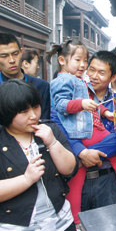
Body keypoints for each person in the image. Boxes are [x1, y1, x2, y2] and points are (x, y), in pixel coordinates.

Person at [50, 49, 116, 225]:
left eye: (101, 73)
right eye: (91, 69)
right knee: (78, 217)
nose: (94, 76)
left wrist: (85, 154)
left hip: (107, 180)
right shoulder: (75, 91)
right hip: (78, 173)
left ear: (113, 76)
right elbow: (59, 124)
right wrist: (80, 151)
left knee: (112, 225)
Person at [0, 79, 78, 230]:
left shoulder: (50, 129)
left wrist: (52, 143)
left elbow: (69, 169)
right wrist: (26, 179)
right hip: (16, 225)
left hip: (61, 220)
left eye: (36, 107)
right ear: (7, 113)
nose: (33, 115)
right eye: (24, 112)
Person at [0, 33, 50, 119]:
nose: (12, 60)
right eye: (4, 56)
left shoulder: (41, 86)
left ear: (21, 52)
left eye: (15, 54)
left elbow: (45, 120)